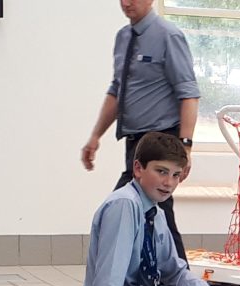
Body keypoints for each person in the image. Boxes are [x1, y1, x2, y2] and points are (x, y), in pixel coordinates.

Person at [67, 133, 240, 286]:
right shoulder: (124, 206)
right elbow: (110, 274)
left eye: (175, 175)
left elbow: (175, 271)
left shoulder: (155, 211)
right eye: (161, 172)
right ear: (138, 169)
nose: (169, 183)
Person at [81, 0, 199, 261]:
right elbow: (117, 90)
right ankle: (154, 285)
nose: (126, 2)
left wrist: (186, 147)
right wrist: (95, 136)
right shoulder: (123, 37)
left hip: (161, 141)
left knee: (143, 208)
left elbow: (189, 94)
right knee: (145, 212)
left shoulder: (169, 36)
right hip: (134, 144)